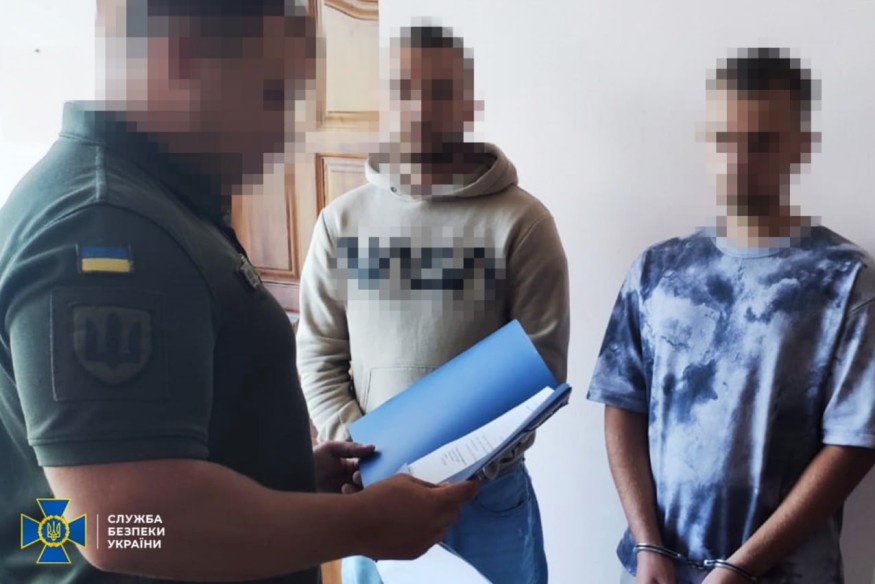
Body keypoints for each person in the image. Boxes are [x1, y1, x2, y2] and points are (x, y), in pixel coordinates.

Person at [0, 2, 478, 583]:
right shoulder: (107, 226)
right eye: (272, 95)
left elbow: (157, 449)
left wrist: (281, 475)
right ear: (180, 60)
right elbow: (119, 525)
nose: (287, 133)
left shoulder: (158, 201)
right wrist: (361, 525)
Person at [588, 47, 875, 584]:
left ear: (800, 147)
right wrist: (647, 543)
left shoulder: (844, 279)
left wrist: (742, 567)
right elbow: (622, 404)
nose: (739, 159)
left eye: (761, 141)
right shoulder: (657, 270)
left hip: (785, 574)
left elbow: (854, 443)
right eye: (725, 139)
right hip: (658, 571)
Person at [296, 24, 569, 584]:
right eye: (403, 90)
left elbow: (539, 367)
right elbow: (318, 353)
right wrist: (364, 458)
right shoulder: (341, 222)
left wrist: (465, 469)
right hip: (372, 491)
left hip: (485, 496)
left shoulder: (522, 223)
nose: (419, 108)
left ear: (469, 103)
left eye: (440, 91)